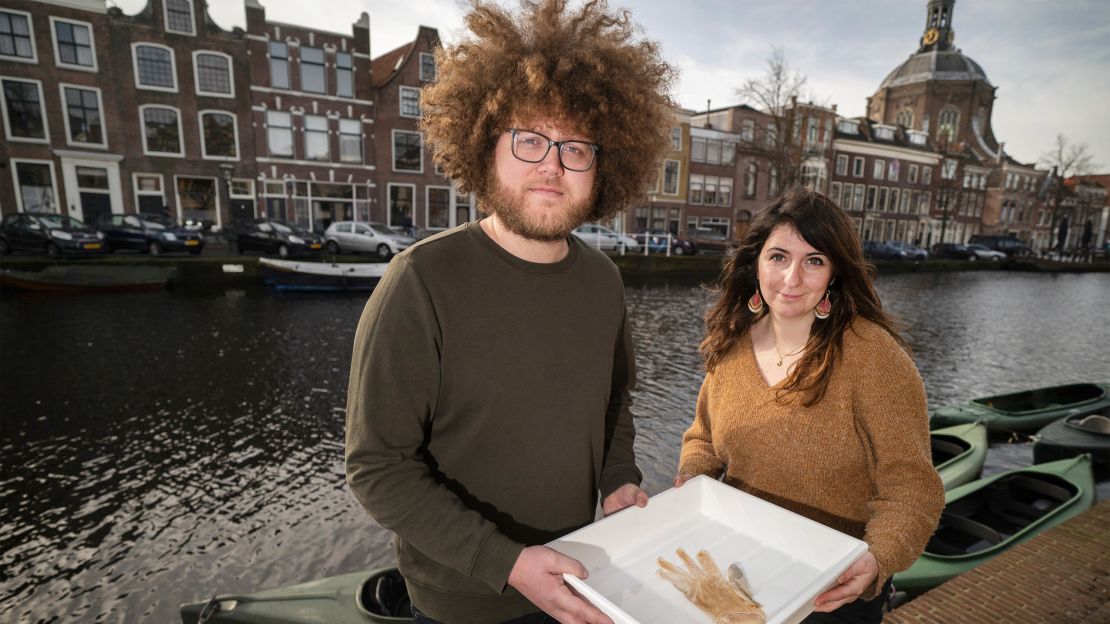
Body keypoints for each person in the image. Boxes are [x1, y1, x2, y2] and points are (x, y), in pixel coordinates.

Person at [344, 2, 674, 623]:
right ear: (484, 144)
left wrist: (618, 479)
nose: (552, 163)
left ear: (603, 167)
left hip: (580, 572)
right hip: (462, 601)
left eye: (576, 146)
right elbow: (377, 466)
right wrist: (508, 563)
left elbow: (614, 401)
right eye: (529, 139)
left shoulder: (604, 280)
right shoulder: (419, 280)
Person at [674, 187, 945, 624]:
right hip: (743, 569)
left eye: (813, 261)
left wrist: (877, 559)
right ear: (756, 263)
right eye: (778, 257)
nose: (791, 278)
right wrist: (692, 479)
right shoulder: (732, 343)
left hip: (831, 592)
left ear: (835, 274)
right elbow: (704, 437)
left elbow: (912, 486)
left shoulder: (873, 356)